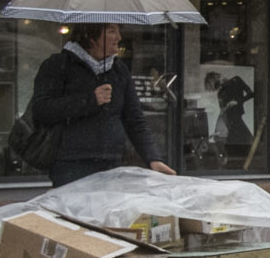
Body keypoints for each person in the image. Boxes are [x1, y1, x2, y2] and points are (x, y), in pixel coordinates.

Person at [27, 23, 175, 186]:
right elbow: (42, 110)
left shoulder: (119, 70)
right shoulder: (58, 65)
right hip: (70, 165)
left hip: (113, 163)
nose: (119, 37)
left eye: (119, 31)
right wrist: (90, 100)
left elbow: (134, 120)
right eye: (112, 31)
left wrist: (152, 158)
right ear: (91, 37)